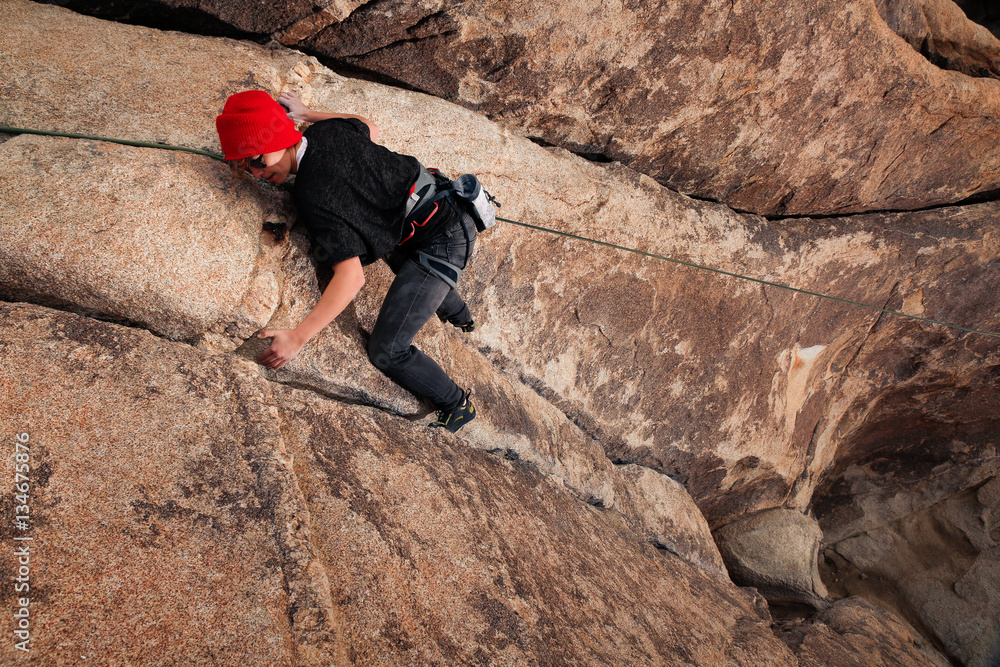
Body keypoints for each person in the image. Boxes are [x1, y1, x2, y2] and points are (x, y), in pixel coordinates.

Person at [215, 90, 478, 432]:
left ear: (280, 137)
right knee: (380, 240)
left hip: (441, 244)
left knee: (387, 350)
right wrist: (307, 113)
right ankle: (459, 315)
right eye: (246, 166)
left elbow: (351, 277)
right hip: (441, 209)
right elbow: (368, 126)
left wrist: (298, 337)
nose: (255, 172)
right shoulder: (327, 131)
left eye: (257, 160)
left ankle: (456, 404)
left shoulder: (314, 194)